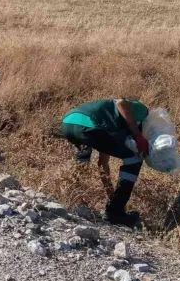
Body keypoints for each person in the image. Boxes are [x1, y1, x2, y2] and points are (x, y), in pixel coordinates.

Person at [58, 98, 149, 228]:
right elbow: (121, 102)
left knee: (83, 159)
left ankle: (71, 198)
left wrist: (110, 195)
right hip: (90, 126)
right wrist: (138, 135)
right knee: (134, 159)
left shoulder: (109, 121)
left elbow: (102, 164)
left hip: (68, 123)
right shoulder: (143, 111)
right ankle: (116, 213)